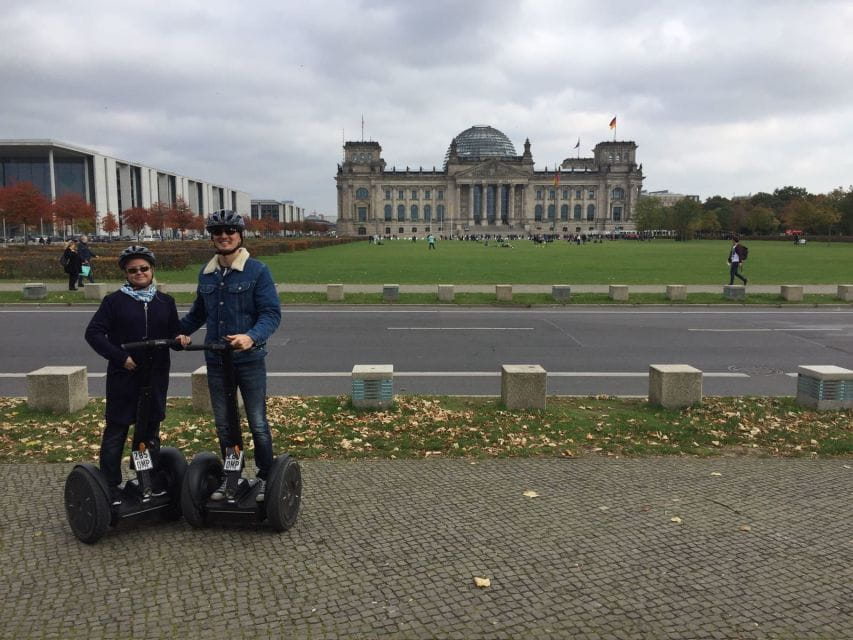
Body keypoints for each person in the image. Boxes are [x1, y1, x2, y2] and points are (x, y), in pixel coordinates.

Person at [180, 210, 281, 503]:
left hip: (249, 360)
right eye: (218, 232)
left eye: (230, 231)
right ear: (212, 237)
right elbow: (198, 313)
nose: (224, 236)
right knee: (224, 424)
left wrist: (250, 336)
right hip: (216, 360)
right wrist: (178, 332)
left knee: (257, 422)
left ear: (240, 235)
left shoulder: (257, 271)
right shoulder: (206, 272)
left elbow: (271, 314)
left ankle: (265, 476)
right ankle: (232, 475)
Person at [84, 246, 190, 505]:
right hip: (125, 376)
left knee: (149, 430)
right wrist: (121, 357)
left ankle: (147, 479)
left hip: (154, 376)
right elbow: (93, 334)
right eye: (133, 270)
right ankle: (110, 485)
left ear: (152, 270)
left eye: (144, 268)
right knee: (117, 430)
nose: (139, 273)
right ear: (126, 273)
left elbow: (173, 336)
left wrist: (181, 338)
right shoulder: (114, 301)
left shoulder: (165, 302)